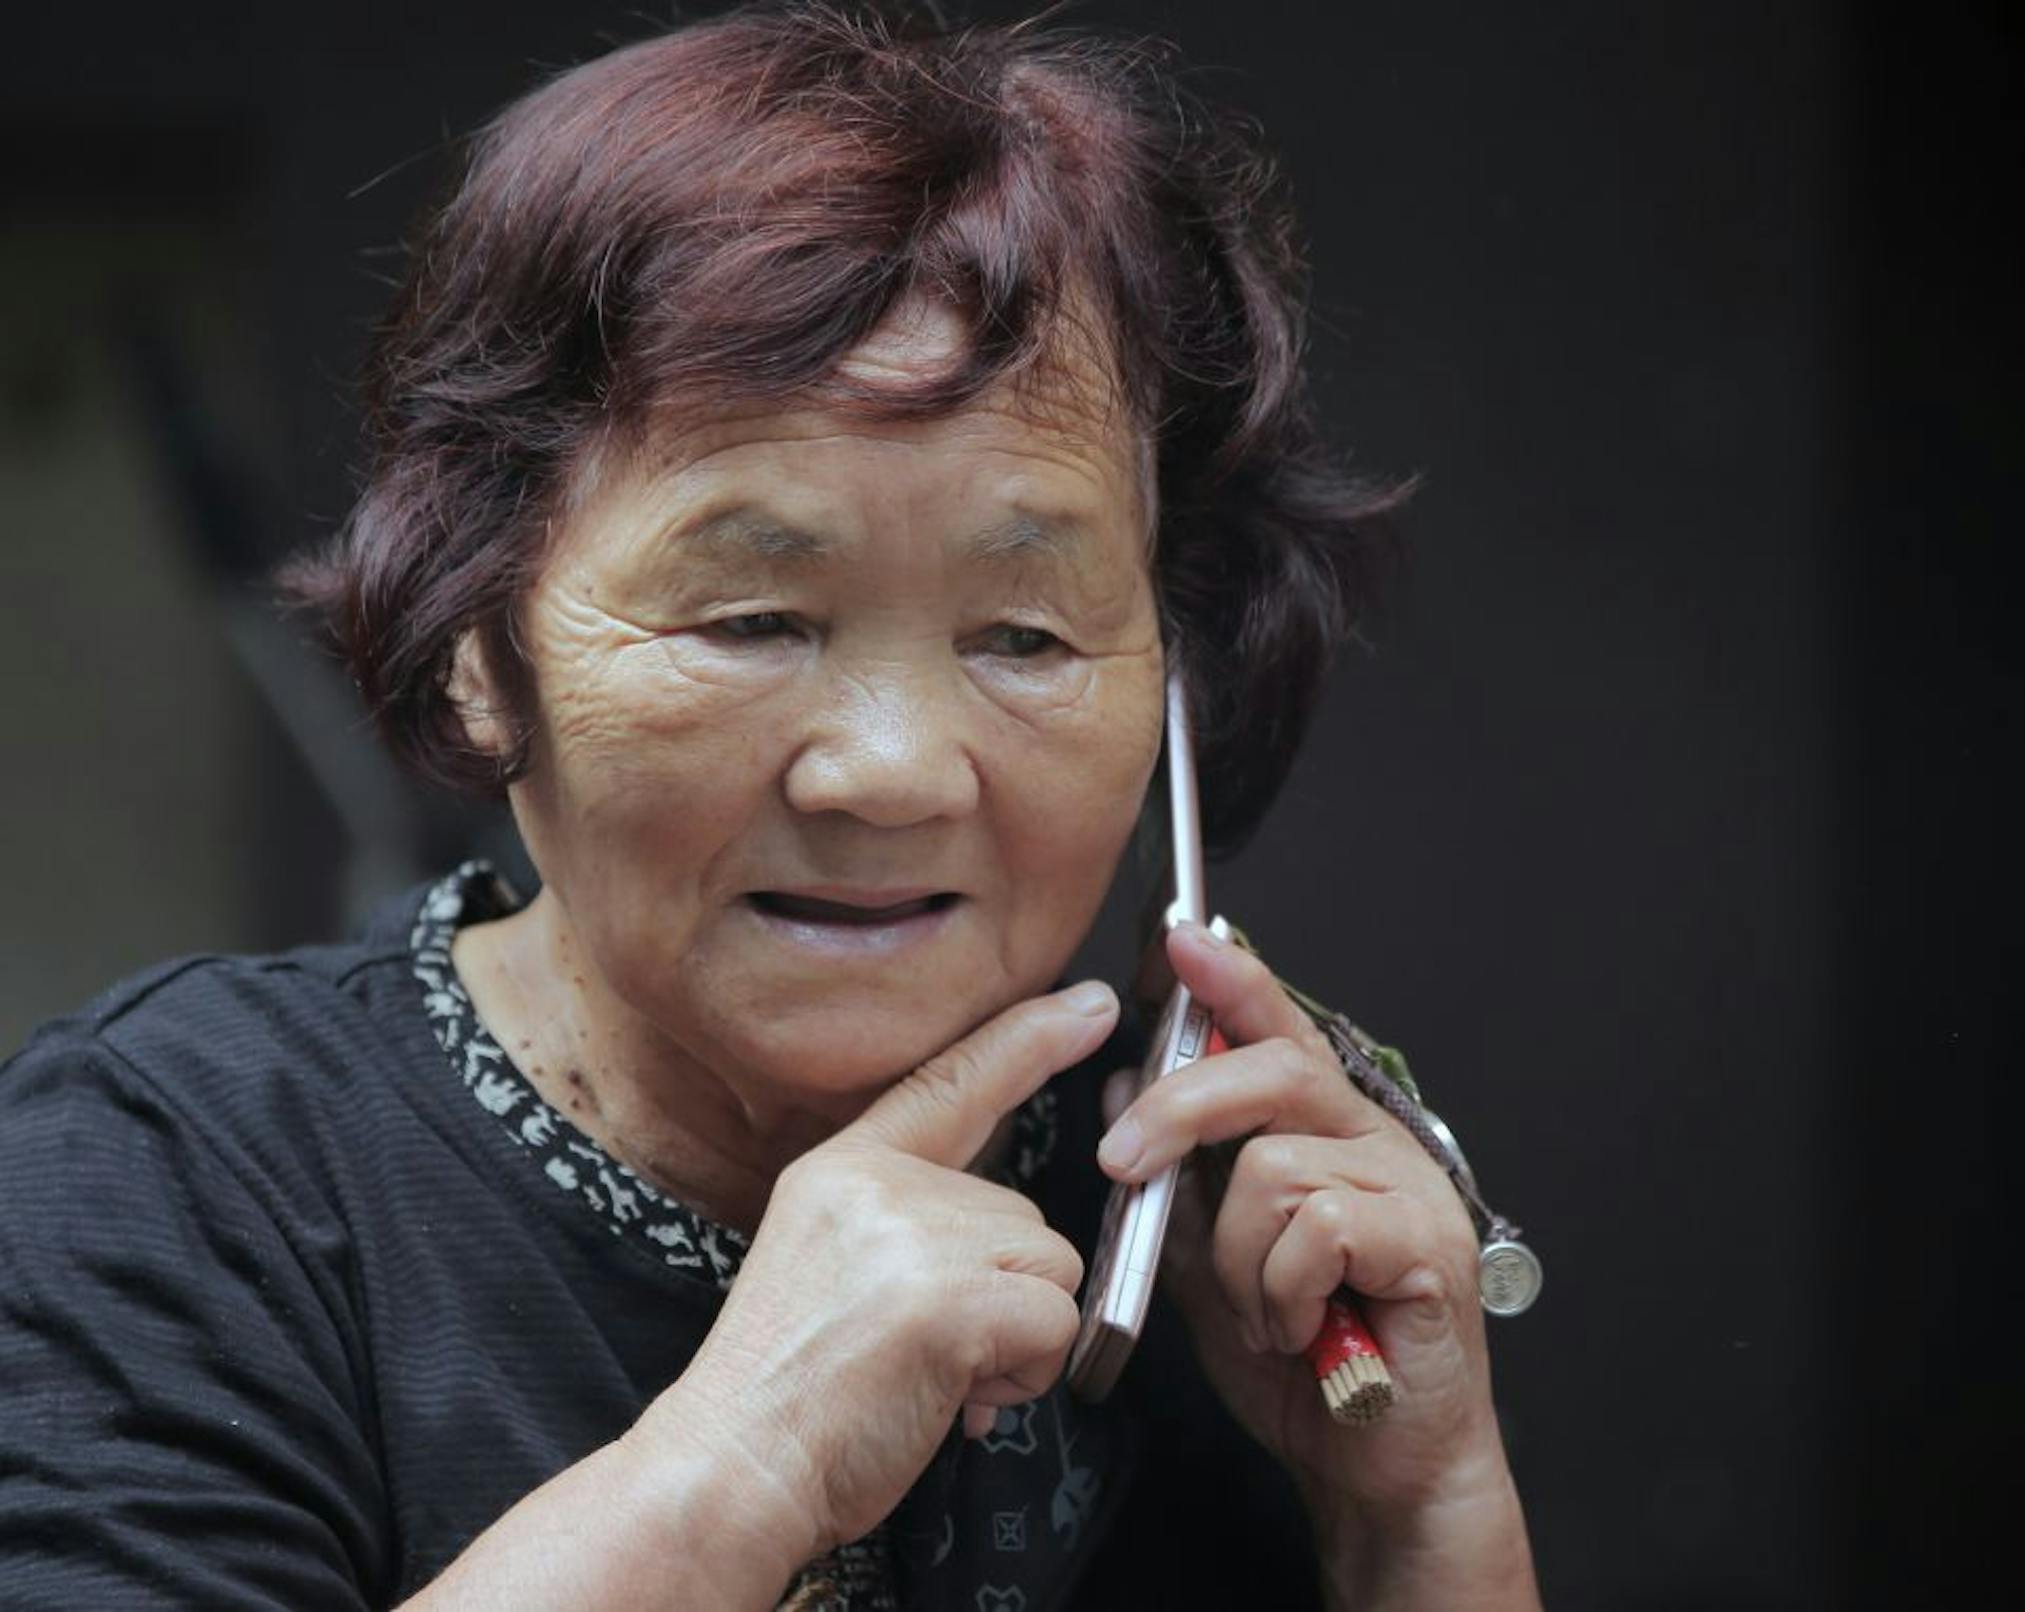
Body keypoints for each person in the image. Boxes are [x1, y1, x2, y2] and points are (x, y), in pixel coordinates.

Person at [0, 6, 1540, 1608]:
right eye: (753, 621)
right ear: (479, 650)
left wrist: (1419, 1519)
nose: (887, 770)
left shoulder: (1235, 1253)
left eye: (1023, 636)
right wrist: (741, 1462)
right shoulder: (167, 1184)